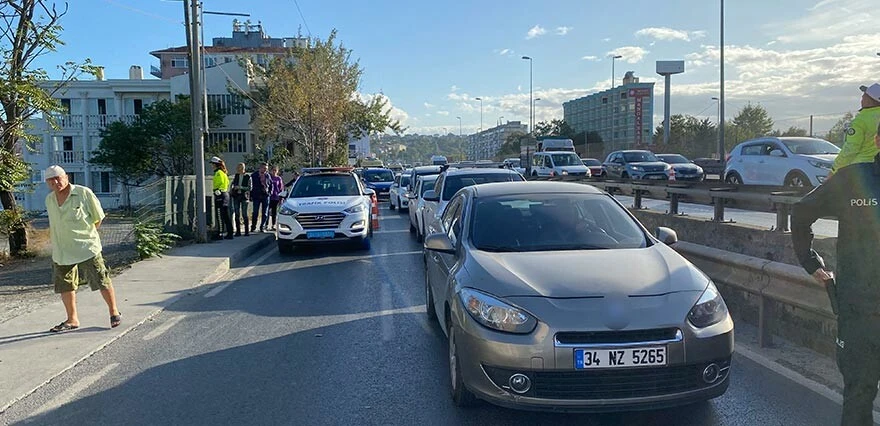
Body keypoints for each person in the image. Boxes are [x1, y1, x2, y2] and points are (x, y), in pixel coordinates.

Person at [791, 145, 880, 425]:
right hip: (860, 314)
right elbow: (802, 212)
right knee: (858, 397)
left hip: (860, 311)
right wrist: (810, 261)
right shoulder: (852, 179)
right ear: (878, 139)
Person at [43, 165, 121, 332]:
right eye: (51, 180)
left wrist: (86, 235)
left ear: (66, 177)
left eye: (59, 178)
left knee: (101, 279)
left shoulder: (83, 193)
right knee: (65, 285)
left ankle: (113, 311)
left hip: (86, 247)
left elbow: (98, 218)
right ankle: (72, 319)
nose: (56, 182)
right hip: (62, 250)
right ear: (47, 183)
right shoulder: (49, 199)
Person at [830, 83, 880, 175]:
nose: (861, 98)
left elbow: (851, 149)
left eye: (864, 96)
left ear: (870, 100)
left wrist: (834, 169)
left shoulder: (860, 121)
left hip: (861, 169)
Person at [210, 156, 234, 240]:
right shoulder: (224, 173)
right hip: (225, 194)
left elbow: (220, 183)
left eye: (212, 164)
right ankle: (230, 232)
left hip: (219, 194)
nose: (211, 166)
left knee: (219, 215)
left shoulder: (218, 173)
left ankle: (220, 233)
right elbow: (226, 183)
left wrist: (217, 190)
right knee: (226, 215)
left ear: (215, 164)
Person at [229, 162, 252, 237]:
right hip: (236, 196)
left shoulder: (248, 177)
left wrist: (240, 187)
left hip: (244, 196)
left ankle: (246, 231)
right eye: (238, 168)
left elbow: (250, 188)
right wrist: (232, 188)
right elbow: (232, 184)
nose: (238, 169)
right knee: (237, 214)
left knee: (244, 214)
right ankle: (238, 231)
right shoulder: (236, 176)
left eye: (240, 168)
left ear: (243, 168)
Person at [250, 162, 271, 233]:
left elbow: (271, 185)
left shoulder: (267, 175)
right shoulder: (254, 175)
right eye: (264, 168)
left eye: (266, 169)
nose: (265, 170)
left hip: (265, 195)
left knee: (265, 212)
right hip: (257, 195)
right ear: (260, 168)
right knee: (255, 212)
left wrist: (269, 192)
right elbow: (251, 186)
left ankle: (262, 226)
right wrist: (251, 195)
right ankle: (253, 226)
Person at [267, 165, 284, 231]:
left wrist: (281, 197)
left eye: (275, 170)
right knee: (267, 212)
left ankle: (273, 225)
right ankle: (266, 224)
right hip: (269, 197)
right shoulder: (269, 177)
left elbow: (281, 188)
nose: (274, 172)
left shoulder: (278, 178)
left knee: (274, 212)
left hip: (276, 197)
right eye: (273, 170)